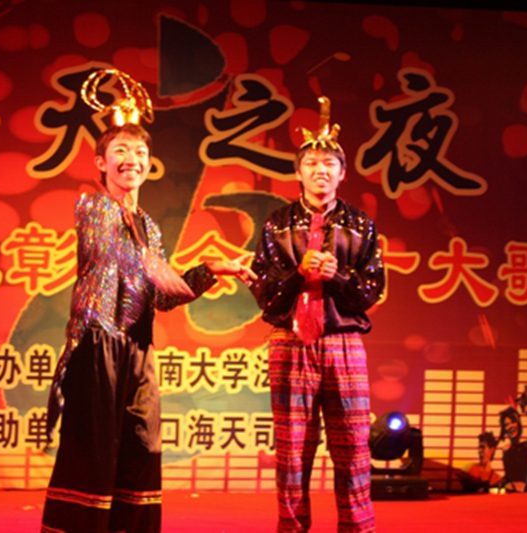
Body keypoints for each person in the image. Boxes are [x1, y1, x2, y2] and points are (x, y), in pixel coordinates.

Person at [40, 69, 255, 533]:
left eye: (139, 153)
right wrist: (168, 272)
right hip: (97, 344)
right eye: (120, 151)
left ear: (149, 163)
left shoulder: (149, 227)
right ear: (101, 162)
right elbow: (123, 258)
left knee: (142, 448)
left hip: (137, 348)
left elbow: (159, 296)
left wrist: (210, 269)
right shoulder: (92, 207)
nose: (131, 160)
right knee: (93, 455)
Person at [249, 96, 383, 532]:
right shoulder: (276, 224)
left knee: (354, 449)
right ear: (299, 172)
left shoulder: (361, 225)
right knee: (291, 453)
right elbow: (264, 293)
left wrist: (337, 276)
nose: (320, 170)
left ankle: (357, 528)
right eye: (311, 163)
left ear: (342, 173)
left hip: (344, 343)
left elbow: (372, 290)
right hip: (290, 343)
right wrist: (297, 275)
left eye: (329, 164)